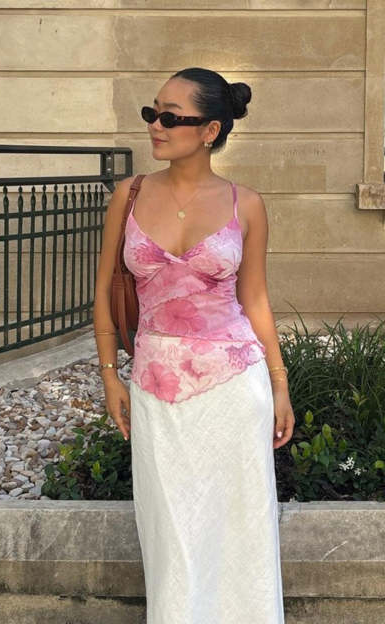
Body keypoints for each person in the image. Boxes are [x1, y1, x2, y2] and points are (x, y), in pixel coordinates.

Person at [93, 66, 295, 624]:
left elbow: (255, 299)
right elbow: (104, 291)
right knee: (170, 538)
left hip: (235, 388)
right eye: (151, 113)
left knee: (240, 532)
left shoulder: (245, 204)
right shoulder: (128, 196)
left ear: (210, 130)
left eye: (170, 117)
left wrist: (279, 384)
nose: (155, 126)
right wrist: (110, 375)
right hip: (156, 388)